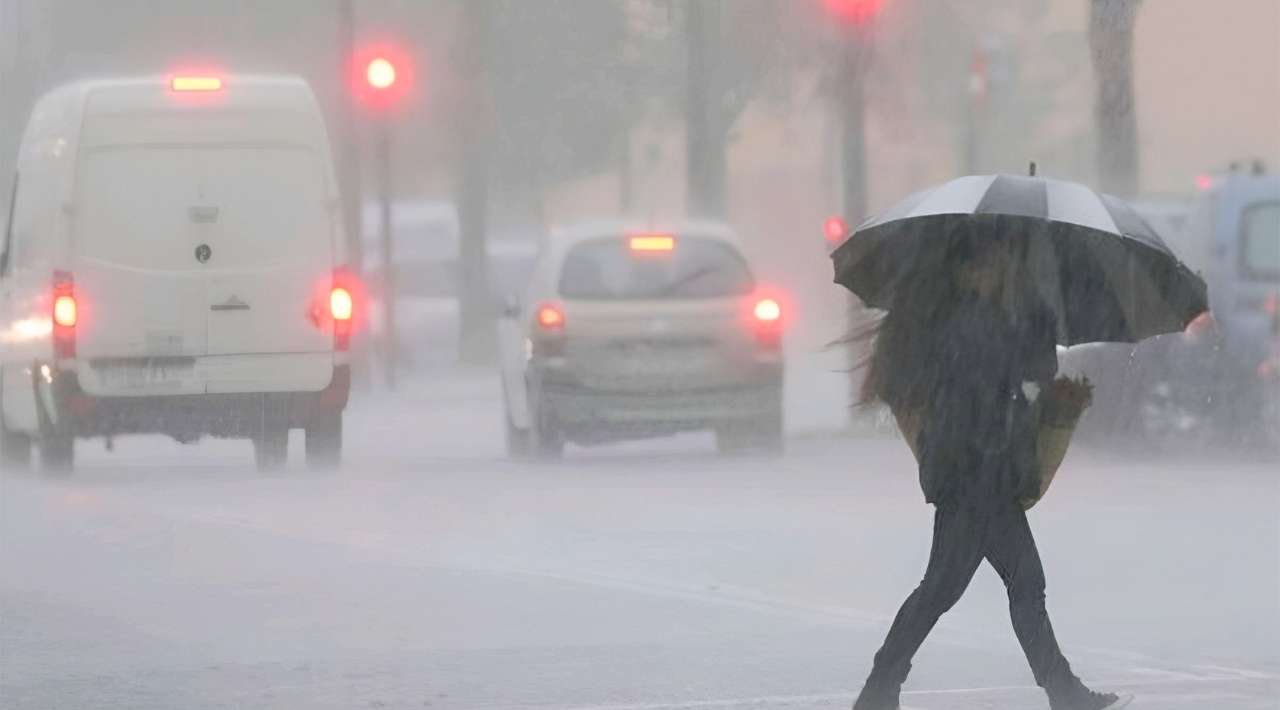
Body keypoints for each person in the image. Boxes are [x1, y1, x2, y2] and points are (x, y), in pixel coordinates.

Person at [851, 229, 1130, 710]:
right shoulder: (973, 321)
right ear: (970, 269)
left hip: (980, 472)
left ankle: (883, 687)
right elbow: (1030, 367)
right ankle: (882, 685)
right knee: (967, 587)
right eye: (995, 261)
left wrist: (1029, 314)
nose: (1001, 269)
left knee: (988, 586)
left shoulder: (972, 316)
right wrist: (1036, 313)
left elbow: (1025, 372)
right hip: (975, 474)